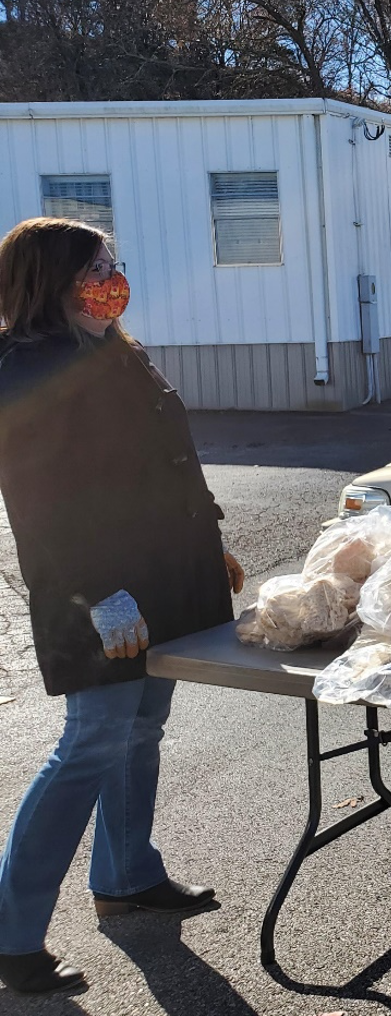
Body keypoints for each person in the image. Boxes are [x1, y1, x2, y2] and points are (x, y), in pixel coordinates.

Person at [0, 219, 244, 995]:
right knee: (91, 742)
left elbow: (165, 458)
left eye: (114, 262)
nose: (112, 275)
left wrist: (213, 540)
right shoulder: (25, 366)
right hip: (100, 588)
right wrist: (96, 595)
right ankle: (11, 936)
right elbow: (43, 504)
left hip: (164, 575)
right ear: (49, 279)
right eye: (94, 266)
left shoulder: (113, 348)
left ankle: (128, 873)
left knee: (141, 729)